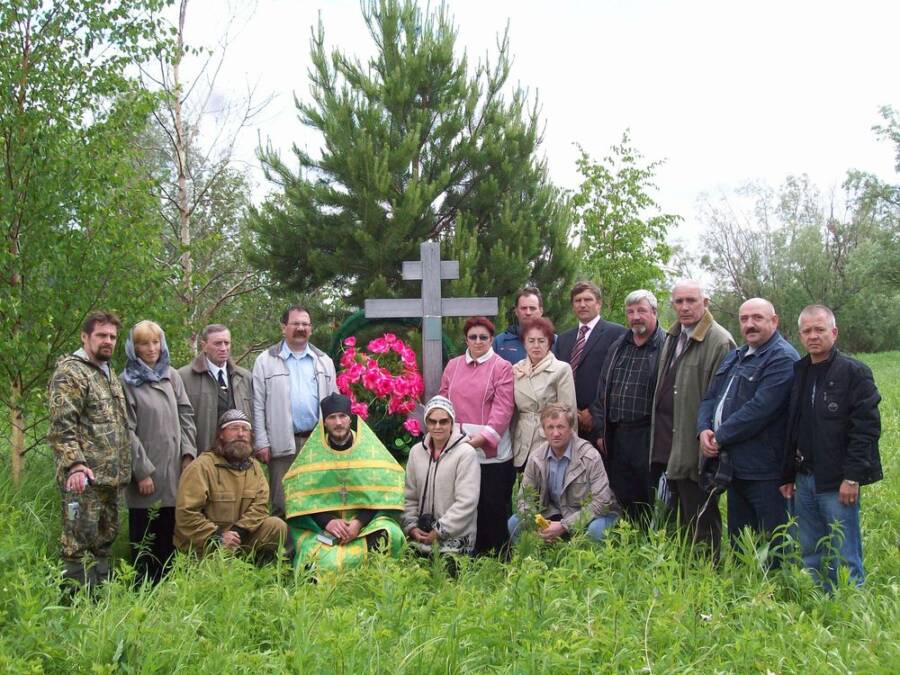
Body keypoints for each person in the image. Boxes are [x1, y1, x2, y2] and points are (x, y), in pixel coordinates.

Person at [780, 305, 882, 587]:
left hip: (838, 481)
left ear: (834, 333)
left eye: (820, 330)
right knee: (810, 549)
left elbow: (866, 429)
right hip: (805, 478)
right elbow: (793, 427)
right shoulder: (799, 371)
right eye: (807, 331)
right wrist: (788, 475)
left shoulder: (854, 372)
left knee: (844, 551)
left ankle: (850, 607)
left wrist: (853, 477)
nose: (814, 336)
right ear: (800, 336)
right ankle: (818, 602)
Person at [698, 297, 799, 552]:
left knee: (775, 544)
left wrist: (718, 437)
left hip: (766, 470)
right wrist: (703, 431)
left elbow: (760, 410)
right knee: (741, 544)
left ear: (773, 321)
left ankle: (778, 592)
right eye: (744, 319)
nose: (750, 324)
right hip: (735, 468)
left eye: (757, 318)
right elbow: (710, 397)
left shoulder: (782, 358)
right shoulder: (736, 356)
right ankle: (745, 591)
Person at [651, 280, 734, 556]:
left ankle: (706, 574)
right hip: (668, 441)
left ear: (705, 303)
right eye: (679, 302)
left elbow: (722, 399)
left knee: (701, 515)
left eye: (691, 301)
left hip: (696, 445)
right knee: (677, 516)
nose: (684, 307)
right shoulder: (674, 335)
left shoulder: (719, 341)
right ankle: (682, 571)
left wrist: (708, 436)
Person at [49, 311, 131, 590]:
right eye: (101, 335)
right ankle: (74, 606)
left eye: (112, 337)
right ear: (85, 337)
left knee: (104, 541)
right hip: (84, 479)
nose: (108, 341)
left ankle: (99, 604)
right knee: (78, 543)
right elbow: (62, 424)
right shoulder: (72, 372)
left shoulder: (108, 374)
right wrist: (74, 465)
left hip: (110, 478)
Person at [283, 393, 406, 571]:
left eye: (343, 416)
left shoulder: (369, 449)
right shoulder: (312, 453)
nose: (338, 422)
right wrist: (328, 522)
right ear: (324, 422)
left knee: (391, 534)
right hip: (323, 529)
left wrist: (358, 523)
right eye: (332, 418)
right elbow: (298, 497)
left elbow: (385, 492)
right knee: (323, 558)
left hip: (365, 526)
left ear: (351, 419)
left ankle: (379, 579)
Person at [121, 320, 197, 584]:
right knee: (145, 537)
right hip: (147, 476)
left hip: (174, 470)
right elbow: (126, 430)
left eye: (155, 342)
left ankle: (167, 591)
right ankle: (142, 590)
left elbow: (186, 414)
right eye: (144, 343)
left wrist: (188, 454)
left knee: (170, 534)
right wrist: (141, 472)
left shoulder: (171, 375)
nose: (151, 348)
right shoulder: (127, 381)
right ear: (134, 347)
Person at [439, 316, 515, 555]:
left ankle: (497, 557)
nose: (478, 341)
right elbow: (443, 400)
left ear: (492, 339)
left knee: (491, 505)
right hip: (458, 445)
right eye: (473, 337)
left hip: (489, 449)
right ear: (466, 339)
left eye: (484, 337)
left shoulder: (502, 367)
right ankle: (464, 553)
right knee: (464, 502)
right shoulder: (453, 365)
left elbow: (503, 408)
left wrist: (483, 438)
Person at [252, 305, 337, 517]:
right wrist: (261, 441)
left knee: (317, 499)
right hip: (282, 444)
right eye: (295, 323)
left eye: (305, 324)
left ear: (311, 329)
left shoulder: (324, 361)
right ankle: (286, 549)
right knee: (283, 502)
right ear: (284, 328)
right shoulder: (266, 360)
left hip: (317, 442)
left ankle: (314, 548)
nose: (300, 328)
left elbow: (334, 402)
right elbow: (257, 404)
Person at [589, 290, 665, 524]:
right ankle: (626, 538)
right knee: (622, 491)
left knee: (648, 492)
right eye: (630, 312)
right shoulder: (619, 346)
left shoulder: (666, 346)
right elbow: (602, 390)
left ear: (654, 312)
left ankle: (651, 540)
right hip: (617, 433)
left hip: (648, 433)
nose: (636, 317)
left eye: (641, 311)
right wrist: (601, 430)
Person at [174, 409, 287, 558]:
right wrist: (219, 536)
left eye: (245, 429)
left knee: (277, 526)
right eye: (234, 428)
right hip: (207, 545)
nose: (241, 434)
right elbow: (186, 514)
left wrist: (238, 533)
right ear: (221, 434)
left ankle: (256, 568)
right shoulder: (201, 467)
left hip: (240, 539)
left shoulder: (255, 468)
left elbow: (260, 507)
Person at [509, 403, 619, 544]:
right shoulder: (536, 458)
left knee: (595, 531)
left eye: (560, 427)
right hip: (554, 514)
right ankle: (529, 561)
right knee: (515, 522)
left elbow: (602, 502)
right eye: (550, 427)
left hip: (593, 515)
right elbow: (524, 499)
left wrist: (564, 526)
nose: (555, 433)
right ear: (543, 430)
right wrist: (537, 524)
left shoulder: (590, 457)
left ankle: (594, 566)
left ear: (571, 428)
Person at [402, 396, 481, 556]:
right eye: (432, 421)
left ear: (452, 423)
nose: (437, 426)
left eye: (443, 421)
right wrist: (412, 527)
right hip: (420, 538)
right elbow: (409, 496)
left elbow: (467, 502)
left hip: (455, 542)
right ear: (426, 423)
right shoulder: (416, 452)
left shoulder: (466, 453)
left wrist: (439, 531)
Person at [553, 281, 627, 445]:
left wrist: (593, 411)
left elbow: (617, 378)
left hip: (599, 424)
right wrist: (568, 411)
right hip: (567, 421)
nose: (583, 304)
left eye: (588, 299)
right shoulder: (563, 339)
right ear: (573, 306)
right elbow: (556, 377)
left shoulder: (617, 333)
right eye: (578, 301)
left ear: (599, 303)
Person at [510, 317, 576, 471]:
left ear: (549, 343)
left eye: (541, 340)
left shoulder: (561, 369)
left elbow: (569, 410)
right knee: (524, 491)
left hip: (549, 437)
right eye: (531, 340)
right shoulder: (516, 369)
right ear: (524, 343)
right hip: (522, 440)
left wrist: (570, 446)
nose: (536, 346)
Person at [179, 323, 253, 453]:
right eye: (218, 343)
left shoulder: (245, 377)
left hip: (239, 457)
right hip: (203, 456)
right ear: (204, 346)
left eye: (227, 343)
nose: (223, 348)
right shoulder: (183, 377)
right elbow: (181, 422)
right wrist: (188, 453)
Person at [494, 286, 545, 364]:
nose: (528, 313)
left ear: (541, 311)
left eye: (532, 308)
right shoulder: (499, 342)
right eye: (524, 308)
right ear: (516, 312)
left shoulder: (555, 342)